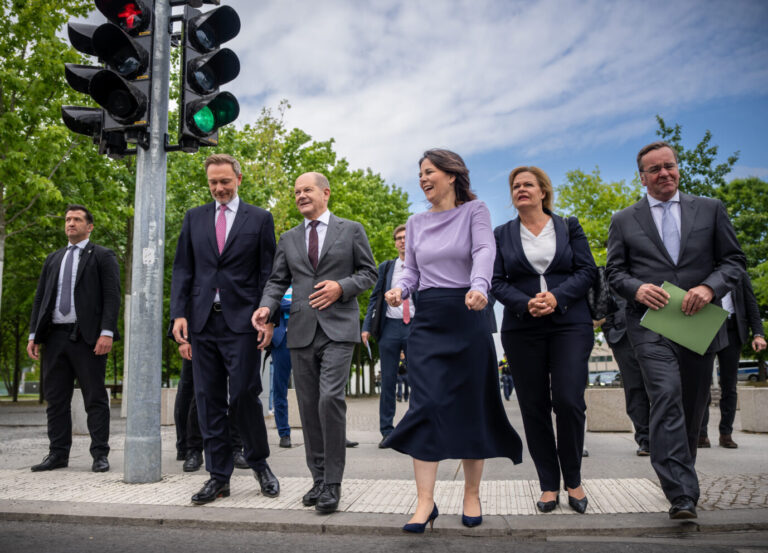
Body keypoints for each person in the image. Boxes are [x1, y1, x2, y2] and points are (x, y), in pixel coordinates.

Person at [383, 149, 523, 532]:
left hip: (468, 312)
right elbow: (410, 270)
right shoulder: (415, 222)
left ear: (451, 175)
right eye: (420, 174)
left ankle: (471, 494)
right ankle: (425, 502)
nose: (423, 179)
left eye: (430, 172)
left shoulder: (475, 212)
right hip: (428, 320)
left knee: (470, 406)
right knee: (424, 405)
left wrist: (480, 288)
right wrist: (399, 290)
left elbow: (483, 251)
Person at [606, 141, 746, 519]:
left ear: (678, 169)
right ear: (642, 177)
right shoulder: (624, 219)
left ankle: (682, 474)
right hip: (650, 325)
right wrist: (636, 288)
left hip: (698, 324)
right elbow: (613, 273)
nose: (664, 173)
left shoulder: (710, 209)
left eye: (669, 166)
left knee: (692, 404)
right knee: (665, 395)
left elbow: (734, 261)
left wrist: (709, 287)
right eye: (655, 169)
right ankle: (681, 494)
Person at [252, 172, 377, 514]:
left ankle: (333, 482)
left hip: (339, 329)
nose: (300, 196)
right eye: (296, 192)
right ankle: (318, 478)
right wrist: (266, 306)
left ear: (325, 193)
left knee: (330, 398)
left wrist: (341, 287)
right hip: (301, 332)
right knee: (307, 407)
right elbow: (277, 281)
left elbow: (369, 273)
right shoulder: (289, 237)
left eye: (306, 190)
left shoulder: (351, 229)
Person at [170, 154, 279, 505]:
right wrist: (179, 314)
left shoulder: (260, 219)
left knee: (246, 392)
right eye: (213, 182)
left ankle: (259, 462)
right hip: (202, 322)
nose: (218, 188)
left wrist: (269, 317)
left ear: (239, 179)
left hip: (244, 321)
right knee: (207, 398)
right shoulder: (194, 218)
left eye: (225, 182)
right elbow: (183, 270)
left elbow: (269, 274)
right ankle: (218, 477)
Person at [491, 166, 597, 515]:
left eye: (528, 185)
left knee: (568, 400)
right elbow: (495, 280)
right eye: (515, 186)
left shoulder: (569, 226)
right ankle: (549, 485)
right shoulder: (502, 234)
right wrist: (525, 303)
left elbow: (586, 271)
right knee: (533, 406)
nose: (521, 189)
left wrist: (556, 296)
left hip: (569, 323)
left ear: (542, 192)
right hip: (522, 328)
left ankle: (574, 481)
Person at [27, 204, 121, 473]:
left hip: (88, 338)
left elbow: (112, 297)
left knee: (95, 399)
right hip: (54, 337)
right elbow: (40, 299)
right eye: (68, 219)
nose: (71, 223)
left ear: (89, 226)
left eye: (77, 219)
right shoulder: (53, 259)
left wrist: (107, 332)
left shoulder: (103, 256)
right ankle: (57, 454)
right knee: (56, 399)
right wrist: (34, 334)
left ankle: (100, 455)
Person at [361, 224, 416, 446]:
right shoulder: (386, 268)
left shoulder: (420, 267)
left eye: (406, 237)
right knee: (388, 381)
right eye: (399, 238)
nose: (402, 241)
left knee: (419, 380)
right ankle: (387, 431)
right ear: (395, 242)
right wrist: (366, 327)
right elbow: (374, 299)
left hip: (415, 326)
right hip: (390, 328)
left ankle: (416, 427)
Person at [698, 273, 766, 449]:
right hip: (706, 328)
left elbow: (751, 304)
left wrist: (758, 334)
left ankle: (726, 434)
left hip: (733, 331)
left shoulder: (739, 274)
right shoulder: (703, 267)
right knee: (701, 384)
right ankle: (701, 434)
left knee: (730, 386)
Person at [602, 295, 651, 456]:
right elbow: (606, 305)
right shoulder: (614, 272)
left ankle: (664, 438)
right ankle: (645, 440)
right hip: (623, 339)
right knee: (634, 389)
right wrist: (610, 332)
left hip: (653, 332)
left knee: (660, 387)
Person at [270, 288, 294, 448]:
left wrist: (286, 304)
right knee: (280, 389)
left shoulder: (305, 276)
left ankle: (324, 433)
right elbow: (273, 304)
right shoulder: (275, 283)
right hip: (281, 341)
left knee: (315, 389)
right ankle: (284, 433)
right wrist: (298, 304)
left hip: (306, 337)